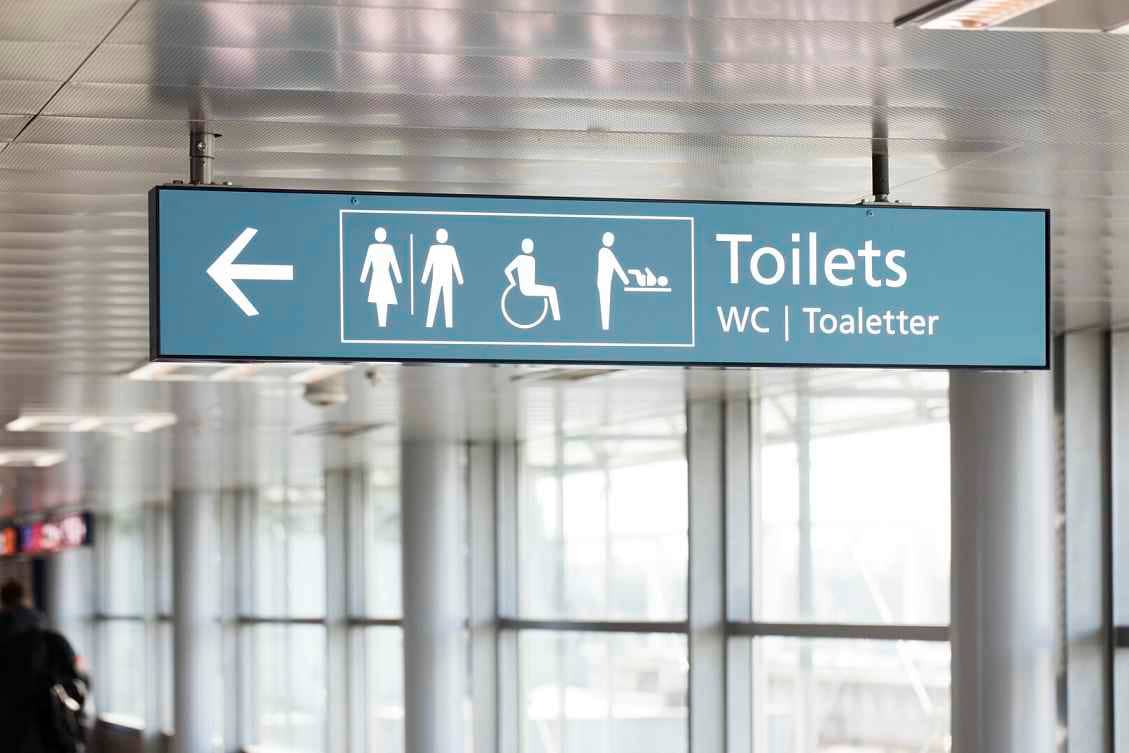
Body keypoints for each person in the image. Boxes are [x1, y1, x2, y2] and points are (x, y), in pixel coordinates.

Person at [0, 580, 88, 753]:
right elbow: (78, 682)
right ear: (26, 599)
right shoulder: (50, 639)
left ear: (3, 601)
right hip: (47, 728)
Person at [504, 238, 561, 321]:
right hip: (527, 289)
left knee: (551, 290)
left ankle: (557, 317)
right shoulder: (520, 258)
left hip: (531, 286)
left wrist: (513, 282)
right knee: (552, 290)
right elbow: (507, 270)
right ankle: (556, 317)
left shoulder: (531, 259)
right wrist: (513, 283)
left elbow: (508, 271)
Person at [421, 228, 463, 328]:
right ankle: (430, 323)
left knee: (444, 301)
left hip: (444, 279)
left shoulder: (447, 249)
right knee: (436, 300)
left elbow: (455, 264)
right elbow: (429, 264)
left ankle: (445, 324)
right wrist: (424, 279)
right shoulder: (436, 249)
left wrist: (460, 279)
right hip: (440, 279)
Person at [360, 227, 402, 327]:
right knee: (381, 299)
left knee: (382, 299)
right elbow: (367, 263)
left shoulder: (378, 248)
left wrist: (363, 278)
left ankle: (382, 324)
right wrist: (398, 279)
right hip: (381, 276)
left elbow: (393, 263)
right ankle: (382, 324)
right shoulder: (382, 248)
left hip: (380, 276)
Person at [596, 231, 629, 331]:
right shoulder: (604, 252)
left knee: (606, 302)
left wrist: (626, 281)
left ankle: (605, 326)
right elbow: (617, 266)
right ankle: (605, 327)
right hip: (604, 282)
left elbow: (616, 266)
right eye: (609, 239)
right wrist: (626, 281)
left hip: (606, 282)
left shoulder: (605, 252)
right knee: (605, 302)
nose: (611, 241)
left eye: (611, 239)